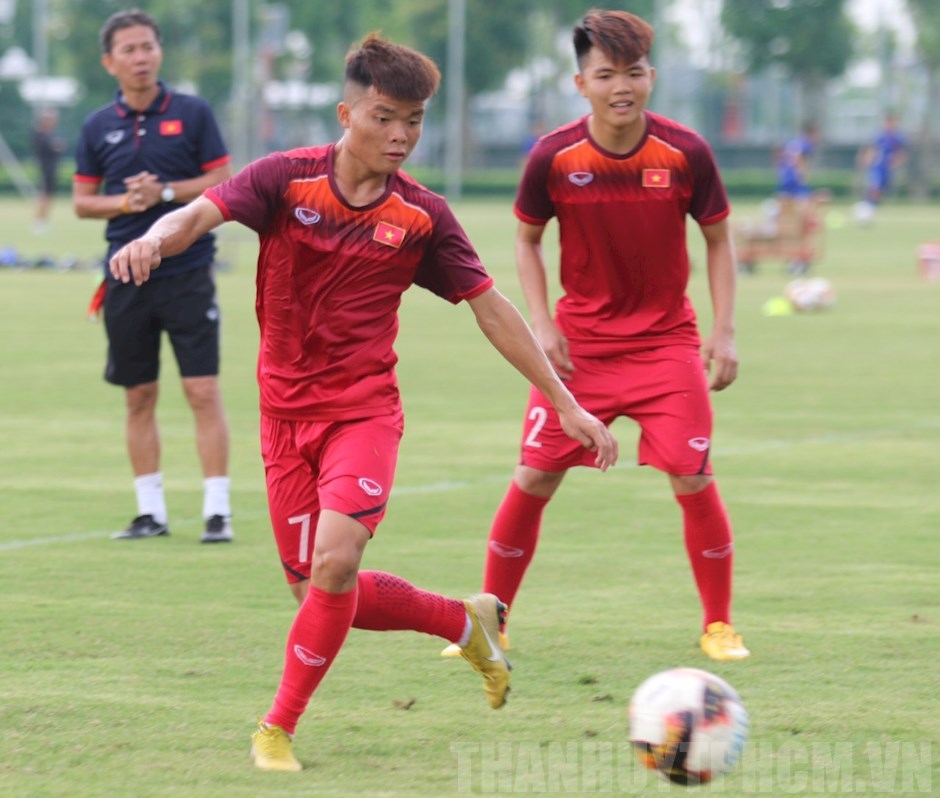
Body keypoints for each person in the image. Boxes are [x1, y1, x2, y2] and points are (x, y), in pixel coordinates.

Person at [109, 34, 618, 773]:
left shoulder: (422, 215)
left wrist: (565, 403)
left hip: (363, 414)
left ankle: (276, 728)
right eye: (385, 117)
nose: (402, 135)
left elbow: (491, 308)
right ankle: (465, 621)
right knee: (317, 589)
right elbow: (196, 215)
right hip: (284, 419)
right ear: (347, 114)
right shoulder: (285, 179)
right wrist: (154, 240)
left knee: (335, 560)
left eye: (414, 120)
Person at [444, 9, 749, 663]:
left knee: (693, 478)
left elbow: (719, 239)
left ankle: (719, 626)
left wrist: (723, 331)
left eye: (633, 73)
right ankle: (491, 625)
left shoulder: (686, 152)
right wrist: (542, 323)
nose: (622, 87)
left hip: (667, 346)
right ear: (581, 83)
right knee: (533, 477)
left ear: (651, 77)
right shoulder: (553, 156)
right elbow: (527, 241)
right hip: (579, 351)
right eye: (606, 74)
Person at [73, 10, 234, 543]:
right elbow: (83, 201)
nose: (141, 57)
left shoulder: (192, 112)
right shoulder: (97, 125)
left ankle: (217, 512)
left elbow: (221, 180)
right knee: (138, 395)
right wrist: (126, 202)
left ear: (159, 52)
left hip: (188, 271)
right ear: (109, 62)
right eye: (129, 49)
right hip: (125, 277)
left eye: (148, 46)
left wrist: (163, 192)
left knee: (202, 390)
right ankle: (150, 513)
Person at [854, 112, 908, 225]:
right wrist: (866, 160)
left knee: (881, 192)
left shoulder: (899, 137)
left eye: (892, 122)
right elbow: (871, 149)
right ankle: (864, 209)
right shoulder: (879, 136)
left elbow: (902, 153)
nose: (890, 124)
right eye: (888, 122)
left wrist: (896, 163)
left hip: (888, 170)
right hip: (877, 167)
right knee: (875, 187)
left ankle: (868, 208)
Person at [33, 107, 65, 234]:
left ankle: (43, 220)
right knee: (44, 196)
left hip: (52, 170)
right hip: (45, 170)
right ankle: (39, 222)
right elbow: (54, 148)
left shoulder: (51, 135)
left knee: (49, 197)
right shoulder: (40, 135)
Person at [776, 122, 819, 201]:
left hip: (785, 175)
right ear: (811, 133)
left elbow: (781, 156)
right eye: (817, 133)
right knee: (807, 200)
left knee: (788, 200)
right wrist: (801, 174)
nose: (818, 136)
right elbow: (798, 157)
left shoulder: (796, 141)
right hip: (793, 178)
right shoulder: (806, 143)